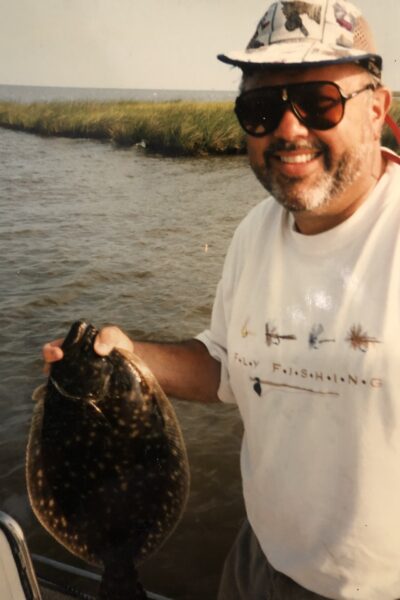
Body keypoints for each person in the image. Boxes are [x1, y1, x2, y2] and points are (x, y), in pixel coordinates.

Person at [43, 0, 400, 598]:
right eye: (260, 108)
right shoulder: (255, 232)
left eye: (319, 102)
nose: (288, 130)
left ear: (376, 109)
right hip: (256, 560)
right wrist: (129, 356)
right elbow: (227, 368)